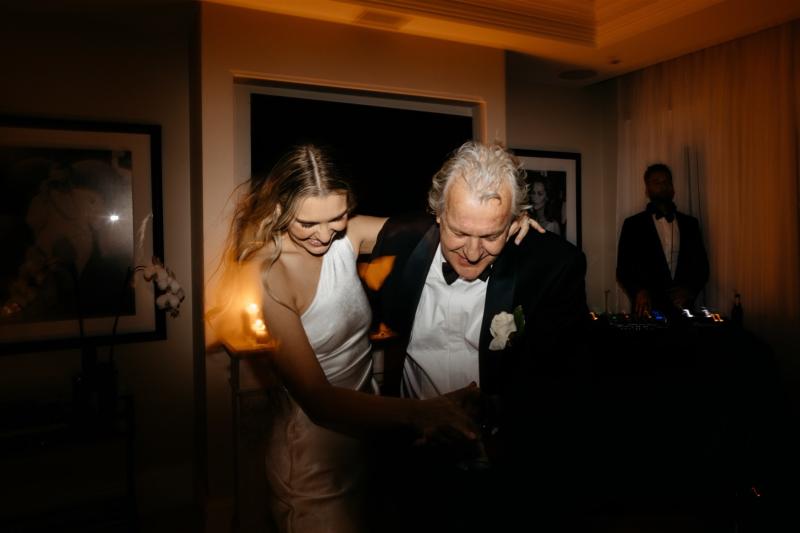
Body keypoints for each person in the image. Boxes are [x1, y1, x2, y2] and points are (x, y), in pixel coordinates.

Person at [206, 144, 541, 533]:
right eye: (307, 224)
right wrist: (419, 412)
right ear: (280, 209)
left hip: (365, 438)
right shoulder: (268, 274)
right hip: (316, 455)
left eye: (337, 217)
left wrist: (503, 224)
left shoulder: (346, 237)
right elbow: (318, 399)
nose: (324, 235)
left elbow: (435, 227)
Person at [369, 141, 590, 531]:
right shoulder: (400, 242)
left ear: (516, 220)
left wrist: (491, 411)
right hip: (410, 460)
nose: (471, 253)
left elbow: (563, 386)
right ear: (437, 212)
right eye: (458, 232)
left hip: (502, 469)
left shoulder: (552, 266)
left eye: (491, 235)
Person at [616, 163, 709, 319]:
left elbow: (702, 266)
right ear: (647, 189)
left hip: (683, 309)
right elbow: (623, 269)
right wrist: (639, 291)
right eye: (656, 182)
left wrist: (689, 290)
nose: (663, 186)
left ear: (673, 187)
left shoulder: (690, 224)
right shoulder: (633, 225)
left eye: (666, 181)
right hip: (647, 309)